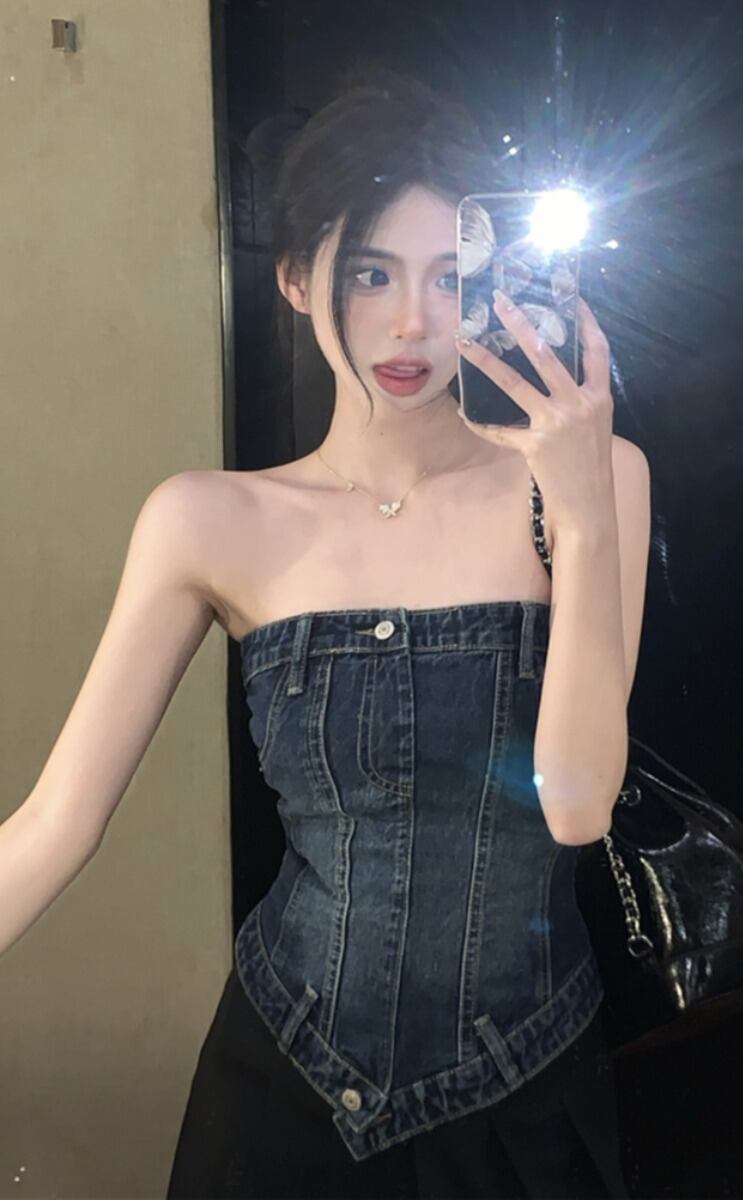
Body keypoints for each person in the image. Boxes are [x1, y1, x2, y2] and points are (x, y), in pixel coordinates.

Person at [0, 61, 644, 1200]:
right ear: (297, 279)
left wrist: (585, 514)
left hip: (526, 1093)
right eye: (371, 273)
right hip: (279, 1098)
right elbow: (54, 822)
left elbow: (577, 806)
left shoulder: (595, 480)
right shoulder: (208, 518)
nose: (412, 322)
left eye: (449, 276)